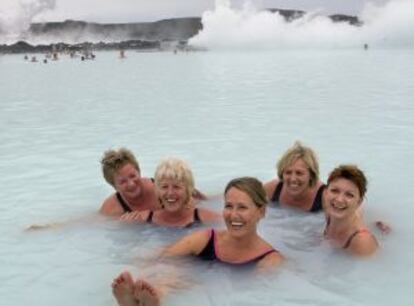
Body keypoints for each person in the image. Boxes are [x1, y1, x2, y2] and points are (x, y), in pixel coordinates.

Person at [112, 177, 284, 306]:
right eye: (228, 206)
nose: (233, 215)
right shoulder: (207, 239)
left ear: (261, 212)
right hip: (192, 282)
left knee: (189, 282)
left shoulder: (269, 259)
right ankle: (145, 298)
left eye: (242, 207)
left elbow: (254, 297)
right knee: (174, 273)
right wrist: (142, 269)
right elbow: (162, 255)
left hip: (213, 293)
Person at [120, 157, 220, 227]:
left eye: (176, 187)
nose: (170, 193)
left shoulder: (209, 218)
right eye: (164, 187)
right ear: (157, 191)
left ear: (188, 190)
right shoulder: (142, 219)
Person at [323, 165, 379, 256]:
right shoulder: (329, 212)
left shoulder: (362, 242)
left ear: (359, 202)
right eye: (335, 191)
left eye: (349, 195)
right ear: (325, 193)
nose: (339, 199)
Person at [264, 141, 325, 212]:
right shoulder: (272, 189)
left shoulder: (325, 197)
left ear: (311, 175)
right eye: (288, 172)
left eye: (299, 173)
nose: (293, 179)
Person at [100, 148, 160, 217]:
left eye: (133, 176)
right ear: (115, 187)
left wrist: (150, 215)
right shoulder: (112, 209)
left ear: (139, 172)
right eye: (123, 181)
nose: (131, 184)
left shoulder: (160, 189)